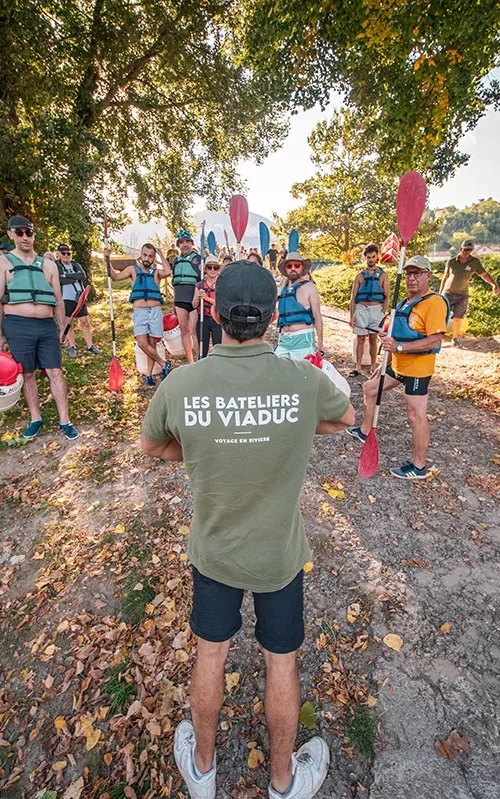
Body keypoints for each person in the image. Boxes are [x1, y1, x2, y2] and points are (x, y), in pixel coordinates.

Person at [140, 260, 354, 799]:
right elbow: (346, 418)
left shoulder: (183, 383)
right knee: (280, 658)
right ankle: (283, 783)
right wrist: (291, 424)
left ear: (213, 310)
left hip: (214, 551)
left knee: (210, 653)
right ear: (274, 314)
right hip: (277, 555)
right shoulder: (301, 379)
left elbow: (153, 446)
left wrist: (203, 440)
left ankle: (204, 771)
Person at [346, 256, 449, 479]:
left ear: (428, 275)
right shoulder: (403, 302)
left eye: (418, 273)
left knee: (415, 415)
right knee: (370, 388)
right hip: (398, 365)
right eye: (409, 273)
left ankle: (419, 466)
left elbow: (435, 340)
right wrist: (386, 362)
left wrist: (399, 348)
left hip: (418, 371)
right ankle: (365, 431)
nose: (412, 278)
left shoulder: (434, 303)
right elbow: (393, 336)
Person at [0, 215, 79, 441]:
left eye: (28, 232)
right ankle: (35, 418)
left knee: (55, 371)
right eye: (19, 232)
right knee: (27, 373)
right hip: (18, 325)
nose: (25, 237)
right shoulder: (2, 263)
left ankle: (65, 420)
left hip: (46, 325)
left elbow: (58, 299)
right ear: (11, 234)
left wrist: (63, 328)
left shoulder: (48, 265)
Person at [108, 242, 172, 387]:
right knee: (142, 343)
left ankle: (149, 375)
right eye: (145, 255)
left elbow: (168, 272)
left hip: (155, 311)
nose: (147, 258)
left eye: (150, 256)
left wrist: (161, 254)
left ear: (153, 258)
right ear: (141, 254)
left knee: (151, 344)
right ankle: (164, 363)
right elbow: (115, 277)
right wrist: (107, 259)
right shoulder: (133, 269)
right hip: (140, 312)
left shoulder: (156, 272)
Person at [438, 239, 499, 345]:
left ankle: (455, 338)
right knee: (443, 315)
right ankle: (437, 336)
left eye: (470, 250)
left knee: (458, 317)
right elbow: (445, 277)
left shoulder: (475, 262)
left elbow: (484, 274)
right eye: (465, 249)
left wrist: (494, 284)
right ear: (461, 249)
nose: (467, 252)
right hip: (448, 292)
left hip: (462, 294)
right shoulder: (451, 262)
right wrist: (440, 293)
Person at [348, 243, 390, 377]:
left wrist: (382, 312)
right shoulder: (360, 276)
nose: (371, 260)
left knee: (373, 339)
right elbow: (353, 297)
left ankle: (373, 366)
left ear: (377, 257)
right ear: (365, 258)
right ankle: (358, 367)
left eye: (373, 257)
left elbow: (387, 295)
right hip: (361, 309)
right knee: (360, 339)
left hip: (375, 309)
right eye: (368, 257)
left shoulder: (383, 275)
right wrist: (351, 316)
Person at [275, 252, 323, 360]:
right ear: (285, 269)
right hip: (284, 340)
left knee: (302, 375)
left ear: (301, 268)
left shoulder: (310, 287)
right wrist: (282, 284)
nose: (293, 269)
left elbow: (317, 315)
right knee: (277, 373)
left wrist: (320, 343)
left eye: (296, 265)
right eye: (289, 266)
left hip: (303, 339)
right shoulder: (283, 290)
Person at [56, 244, 100, 358]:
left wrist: (66, 276)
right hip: (66, 298)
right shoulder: (56, 265)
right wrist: (73, 278)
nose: (66, 255)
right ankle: (72, 346)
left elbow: (82, 275)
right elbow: (58, 279)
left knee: (85, 322)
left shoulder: (75, 264)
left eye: (68, 253)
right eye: (63, 253)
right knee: (69, 323)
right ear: (59, 254)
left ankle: (90, 345)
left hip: (79, 297)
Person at [171, 230, 203, 362]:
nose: (184, 244)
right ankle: (191, 361)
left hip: (193, 299)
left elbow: (203, 279)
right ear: (178, 244)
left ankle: (199, 359)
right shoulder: (175, 261)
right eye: (182, 242)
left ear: (191, 243)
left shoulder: (198, 259)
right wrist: (173, 302)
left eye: (187, 241)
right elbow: (174, 282)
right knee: (184, 330)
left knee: (194, 331)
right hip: (180, 299)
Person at [192, 254, 223, 358]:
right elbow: (194, 304)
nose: (212, 270)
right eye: (210, 267)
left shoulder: (221, 285)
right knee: (202, 348)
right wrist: (198, 297)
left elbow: (222, 304)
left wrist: (206, 298)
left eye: (215, 267)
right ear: (205, 269)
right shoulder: (200, 285)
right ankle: (202, 368)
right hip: (203, 319)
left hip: (217, 319)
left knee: (218, 347)